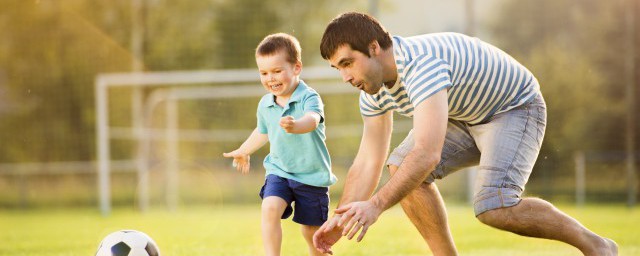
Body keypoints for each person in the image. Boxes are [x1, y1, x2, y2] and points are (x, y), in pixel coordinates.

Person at [312, 12, 618, 256]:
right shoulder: (372, 90)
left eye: (347, 63)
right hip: (464, 115)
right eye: (338, 68)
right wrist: (341, 219)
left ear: (374, 48)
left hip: (513, 107)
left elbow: (427, 154)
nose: (345, 77)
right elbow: (368, 160)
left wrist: (376, 205)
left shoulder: (421, 66)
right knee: (400, 165)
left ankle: (597, 246)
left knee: (494, 206)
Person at [223, 33, 336, 256]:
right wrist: (244, 150)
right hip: (279, 170)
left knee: (311, 233)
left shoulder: (308, 97)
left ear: (296, 68)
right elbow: (262, 131)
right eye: (264, 73)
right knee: (270, 208)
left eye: (277, 71)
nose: (270, 78)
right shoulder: (265, 104)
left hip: (311, 176)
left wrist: (297, 125)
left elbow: (313, 119)